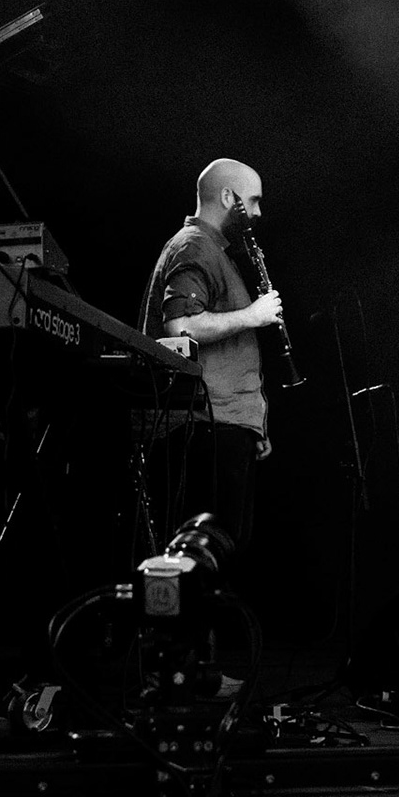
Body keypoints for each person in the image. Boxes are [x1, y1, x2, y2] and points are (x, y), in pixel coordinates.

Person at [139, 158, 283, 552]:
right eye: (252, 201)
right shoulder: (195, 246)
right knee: (205, 558)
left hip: (222, 425)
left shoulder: (213, 251)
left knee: (223, 555)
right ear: (227, 197)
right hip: (203, 428)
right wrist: (253, 315)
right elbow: (180, 328)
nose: (257, 213)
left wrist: (252, 421)